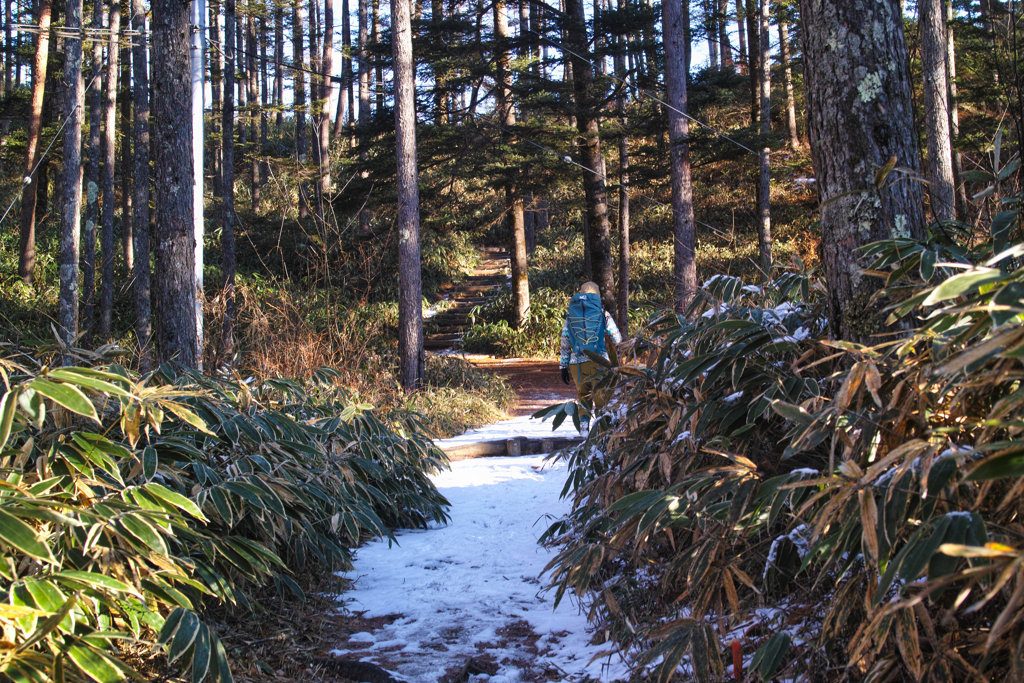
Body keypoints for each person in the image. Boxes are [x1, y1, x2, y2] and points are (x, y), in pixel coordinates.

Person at [559, 282, 622, 430]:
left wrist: (563, 366)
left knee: (583, 396)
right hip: (599, 361)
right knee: (601, 397)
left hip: (577, 364)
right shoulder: (603, 313)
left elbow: (565, 343)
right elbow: (617, 339)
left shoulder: (570, 317)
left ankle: (584, 427)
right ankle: (603, 431)